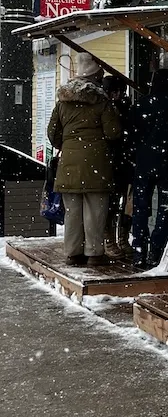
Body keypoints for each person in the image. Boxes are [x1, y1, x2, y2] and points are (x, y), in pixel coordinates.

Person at [46, 53, 122, 267]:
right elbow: (113, 132)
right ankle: (95, 254)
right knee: (95, 210)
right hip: (96, 161)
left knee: (72, 211)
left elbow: (52, 133)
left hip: (69, 161)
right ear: (97, 75)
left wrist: (68, 144)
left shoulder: (62, 101)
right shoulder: (102, 101)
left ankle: (72, 253)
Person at [128, 68, 168, 268]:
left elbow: (131, 135)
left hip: (144, 161)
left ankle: (139, 250)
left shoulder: (140, 104)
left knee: (140, 208)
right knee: (166, 208)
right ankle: (158, 250)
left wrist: (134, 156)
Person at [102, 75, 133, 259]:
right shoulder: (105, 109)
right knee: (112, 204)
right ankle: (110, 240)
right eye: (114, 91)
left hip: (121, 161)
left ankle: (121, 238)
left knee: (125, 204)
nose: (118, 95)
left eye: (120, 91)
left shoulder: (124, 108)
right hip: (112, 161)